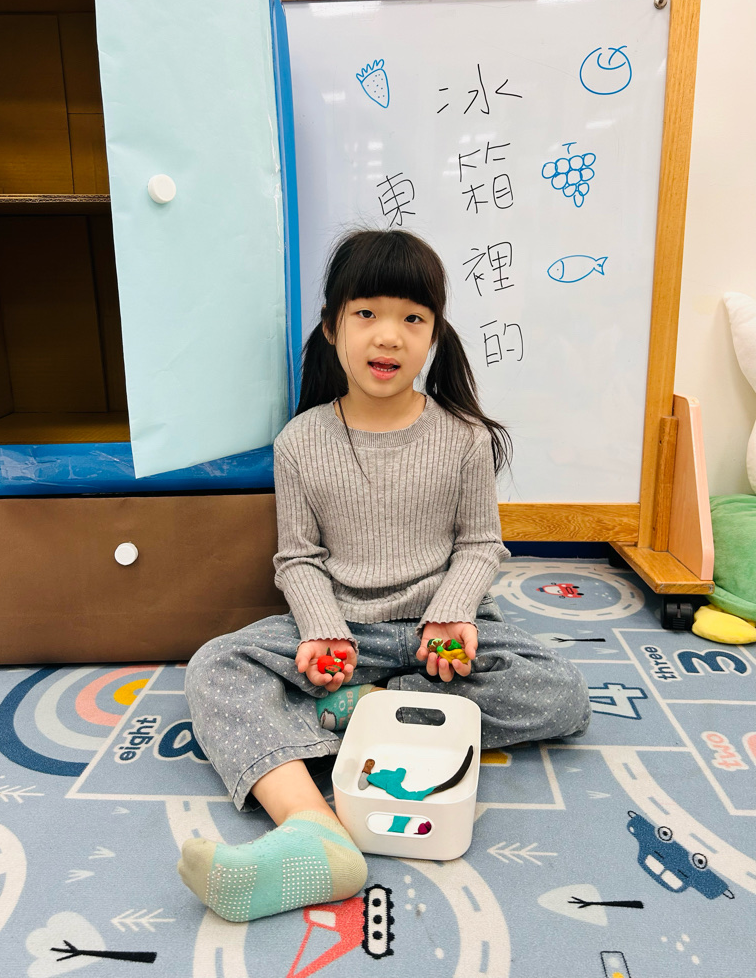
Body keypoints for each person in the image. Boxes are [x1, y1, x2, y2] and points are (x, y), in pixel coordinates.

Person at [178, 228, 591, 922]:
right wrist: (323, 631)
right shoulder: (300, 441)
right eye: (366, 313)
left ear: (434, 335)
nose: (389, 336)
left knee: (563, 692)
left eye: (413, 318)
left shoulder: (465, 438)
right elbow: (298, 559)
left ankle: (364, 709)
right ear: (332, 326)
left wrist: (451, 613)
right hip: (346, 635)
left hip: (443, 637)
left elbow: (481, 545)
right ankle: (314, 829)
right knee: (215, 666)